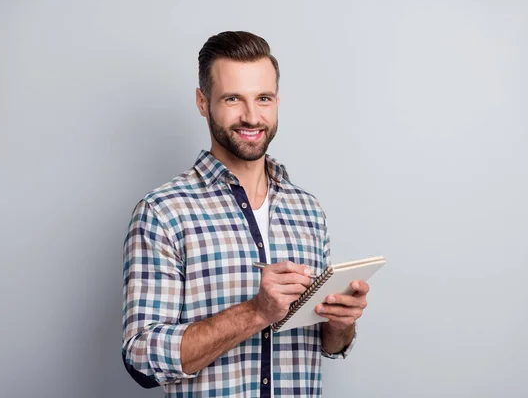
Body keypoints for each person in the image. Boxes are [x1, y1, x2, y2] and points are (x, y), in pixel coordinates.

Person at [121, 30, 371, 397]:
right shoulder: (163, 212)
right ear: (203, 102)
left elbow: (326, 347)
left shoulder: (308, 211)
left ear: (277, 101)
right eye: (233, 99)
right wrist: (257, 312)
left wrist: (341, 325)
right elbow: (141, 360)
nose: (252, 117)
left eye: (263, 98)